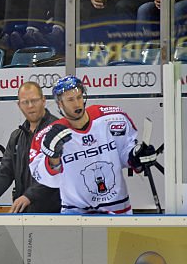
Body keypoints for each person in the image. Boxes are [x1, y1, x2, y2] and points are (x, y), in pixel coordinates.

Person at [30, 76, 155, 214]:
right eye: (70, 100)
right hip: (75, 213)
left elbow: (125, 153)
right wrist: (53, 158)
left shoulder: (110, 118)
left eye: (79, 97)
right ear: (60, 104)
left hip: (117, 209)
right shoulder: (50, 136)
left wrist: (136, 155)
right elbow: (44, 178)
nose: (77, 104)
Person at [0, 81, 61, 214]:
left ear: (43, 100)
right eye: (25, 102)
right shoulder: (17, 136)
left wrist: (29, 196)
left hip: (55, 213)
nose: (30, 106)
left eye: (34, 100)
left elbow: (55, 172)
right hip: (24, 212)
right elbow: (6, 171)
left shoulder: (56, 131)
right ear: (19, 105)